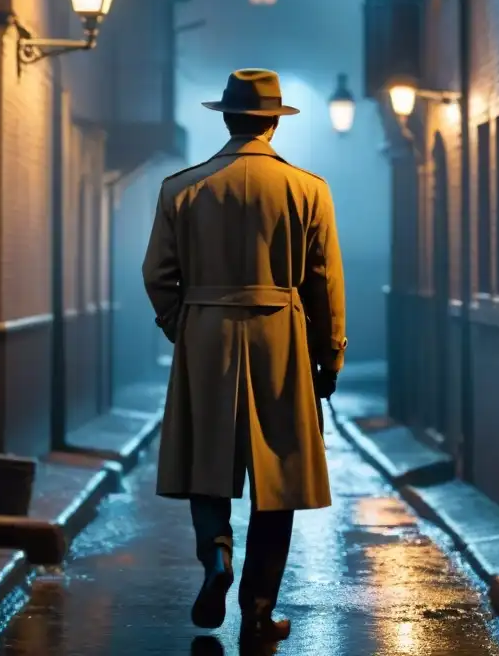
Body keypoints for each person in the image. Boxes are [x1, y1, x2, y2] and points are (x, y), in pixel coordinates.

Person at [142, 68, 347, 644]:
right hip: (281, 333)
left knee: (206, 457)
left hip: (205, 332)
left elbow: (158, 274)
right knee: (277, 474)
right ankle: (258, 607)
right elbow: (323, 282)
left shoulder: (181, 188)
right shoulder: (308, 189)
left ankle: (216, 557)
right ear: (273, 124)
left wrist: (181, 322)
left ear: (228, 118)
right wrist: (328, 358)